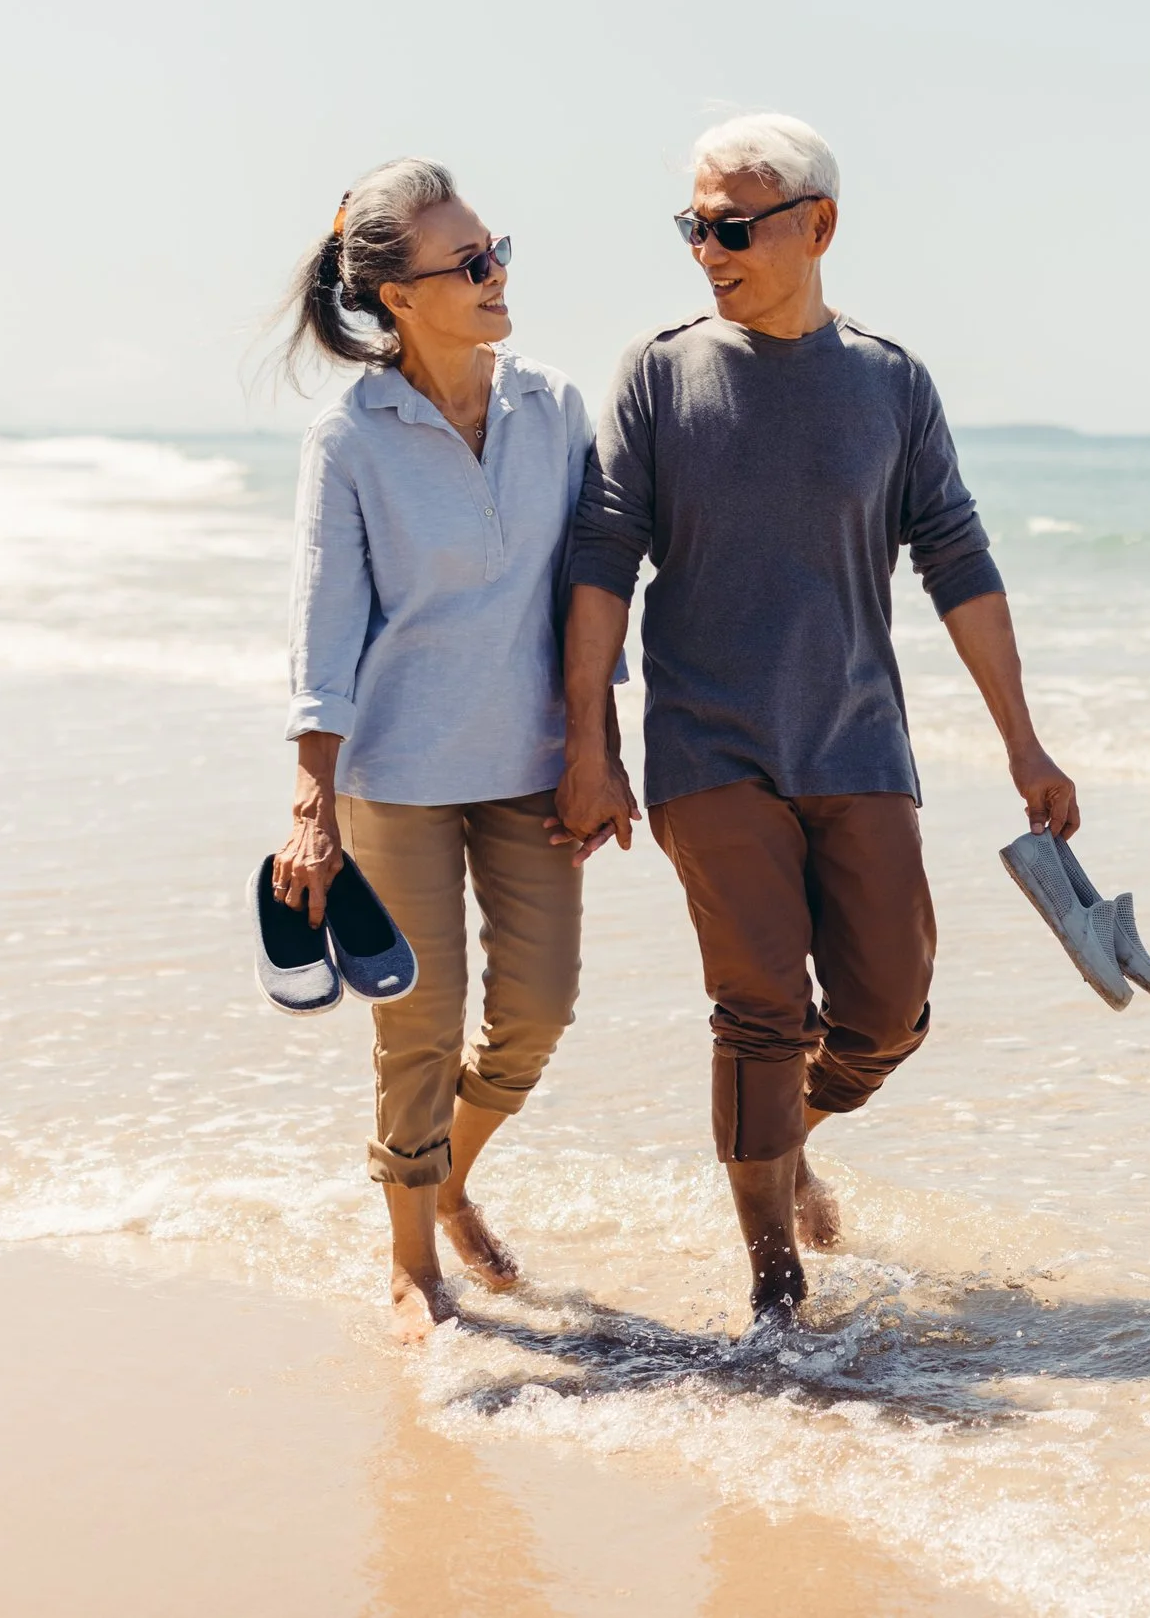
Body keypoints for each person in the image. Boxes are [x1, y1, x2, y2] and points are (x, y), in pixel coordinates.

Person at [556, 112, 1078, 1328]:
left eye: (731, 226)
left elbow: (956, 555)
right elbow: (602, 558)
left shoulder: (890, 381)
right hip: (707, 743)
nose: (706, 248)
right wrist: (591, 741)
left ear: (818, 226)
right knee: (757, 1007)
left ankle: (785, 1135)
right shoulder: (656, 372)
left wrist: (1024, 739)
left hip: (855, 740)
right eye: (693, 225)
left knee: (889, 1008)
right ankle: (774, 1291)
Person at [269, 159, 611, 1342]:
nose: (496, 273)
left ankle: (447, 1171)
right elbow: (324, 632)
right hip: (398, 777)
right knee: (416, 1024)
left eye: (496, 249)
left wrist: (595, 744)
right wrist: (311, 806)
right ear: (397, 297)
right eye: (469, 264)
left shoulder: (555, 405)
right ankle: (413, 1256)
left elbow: (591, 597)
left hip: (531, 763)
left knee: (540, 1010)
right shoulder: (351, 435)